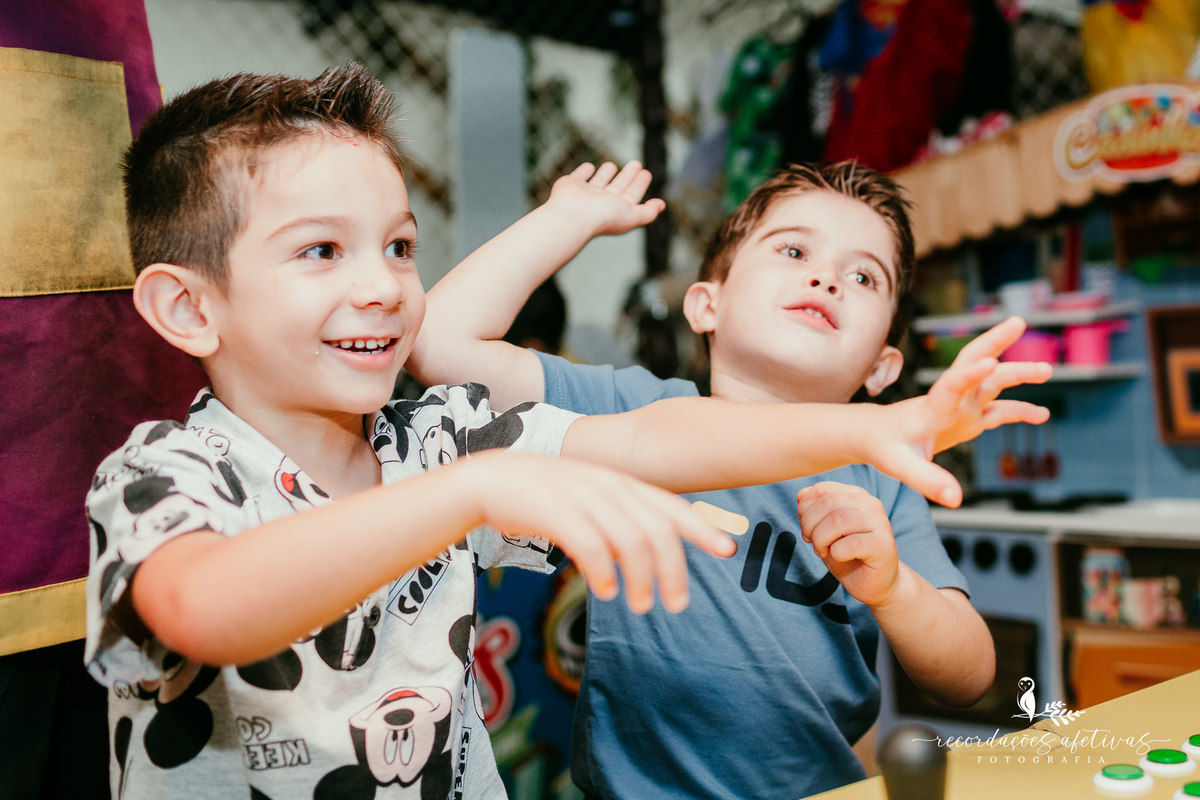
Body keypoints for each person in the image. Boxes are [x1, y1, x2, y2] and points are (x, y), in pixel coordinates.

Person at [85, 62, 1049, 798]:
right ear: (189, 309)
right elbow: (205, 610)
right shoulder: (164, 473)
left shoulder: (441, 437)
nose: (383, 284)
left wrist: (895, 425)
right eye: (322, 250)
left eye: (401, 247)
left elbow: (653, 445)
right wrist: (471, 490)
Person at [407, 159, 1050, 799]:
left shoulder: (882, 476)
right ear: (706, 305)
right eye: (794, 250)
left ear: (883, 368)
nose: (826, 278)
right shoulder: (630, 410)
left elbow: (969, 677)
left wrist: (896, 589)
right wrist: (564, 220)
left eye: (863, 276)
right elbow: (436, 344)